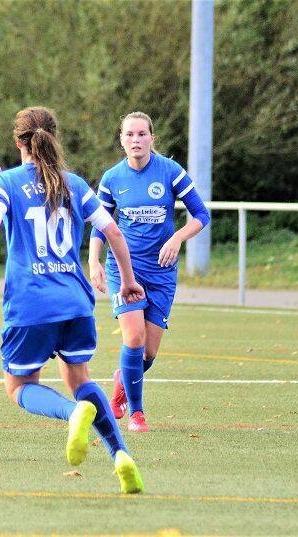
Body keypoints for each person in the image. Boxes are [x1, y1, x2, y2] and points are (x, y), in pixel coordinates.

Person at [0, 106, 145, 494]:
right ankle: (121, 455)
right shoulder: (75, 184)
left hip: (31, 305)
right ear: (55, 136)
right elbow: (114, 233)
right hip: (76, 302)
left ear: (18, 142)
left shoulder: (5, 182)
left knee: (18, 387)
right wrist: (128, 282)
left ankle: (72, 413)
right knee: (79, 377)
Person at [89, 111, 211, 432]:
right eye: (129, 134)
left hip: (161, 272)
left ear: (152, 138)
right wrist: (94, 261)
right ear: (121, 140)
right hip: (123, 269)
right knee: (134, 337)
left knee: (148, 351)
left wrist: (177, 237)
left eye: (142, 134)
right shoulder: (112, 178)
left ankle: (122, 381)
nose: (136, 140)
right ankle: (137, 413)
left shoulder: (170, 171)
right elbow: (100, 225)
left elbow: (201, 214)